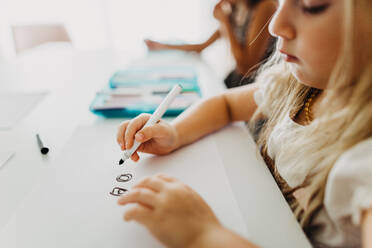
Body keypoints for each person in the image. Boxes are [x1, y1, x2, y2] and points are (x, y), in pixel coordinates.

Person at [116, 0, 372, 247]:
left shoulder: (364, 163)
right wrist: (174, 132)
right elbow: (226, 105)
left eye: (311, 6)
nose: (275, 25)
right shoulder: (299, 85)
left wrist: (202, 235)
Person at [145, 0, 277, 88]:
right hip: (236, 80)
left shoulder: (266, 6)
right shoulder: (236, 8)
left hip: (256, 86)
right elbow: (201, 46)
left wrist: (225, 23)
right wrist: (162, 46)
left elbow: (246, 68)